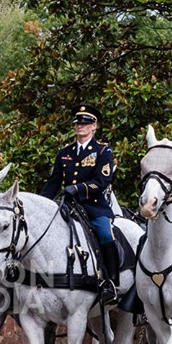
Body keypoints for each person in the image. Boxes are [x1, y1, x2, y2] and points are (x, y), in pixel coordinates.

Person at [40, 102, 119, 304]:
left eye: (86, 123)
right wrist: (41, 203)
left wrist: (78, 188)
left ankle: (111, 283)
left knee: (104, 233)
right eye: (78, 123)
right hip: (68, 206)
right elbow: (53, 183)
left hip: (93, 207)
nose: (80, 126)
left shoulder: (103, 152)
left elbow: (102, 181)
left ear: (95, 126)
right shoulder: (64, 152)